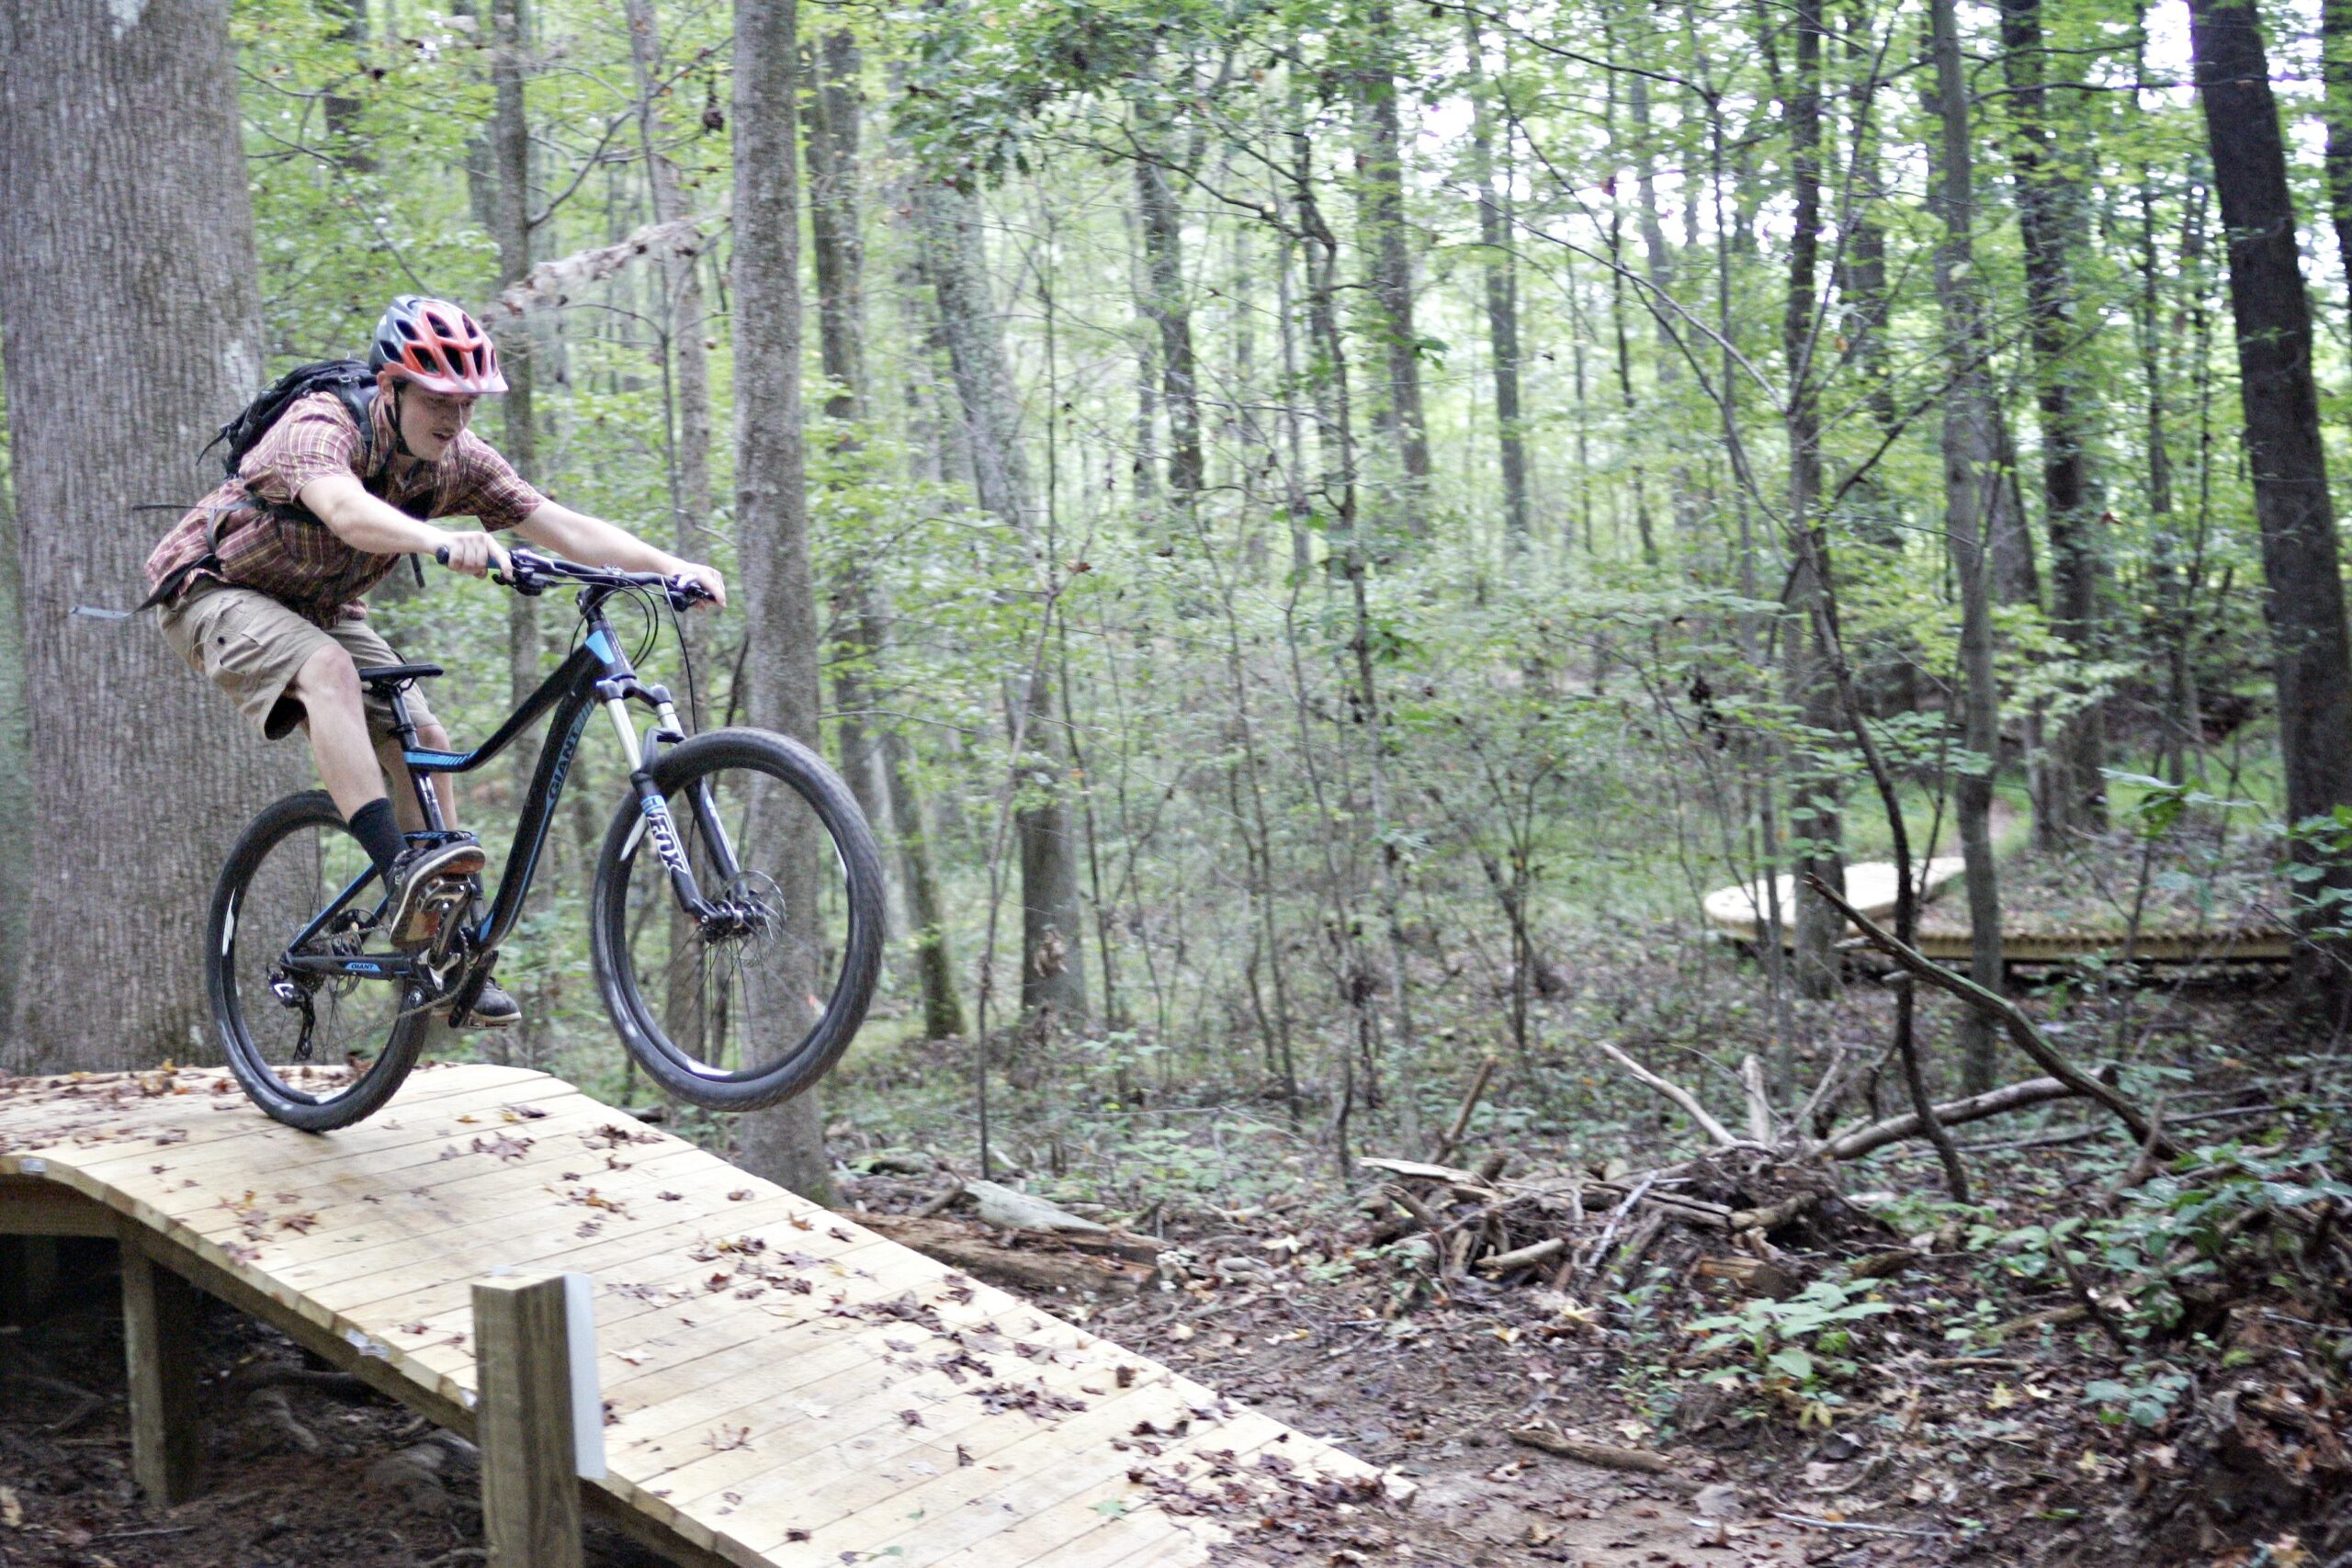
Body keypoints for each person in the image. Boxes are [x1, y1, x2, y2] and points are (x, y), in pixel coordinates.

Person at [144, 295, 725, 1027]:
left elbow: (560, 524)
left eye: (468, 405)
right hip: (215, 590)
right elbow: (348, 512)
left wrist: (673, 566)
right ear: (390, 387)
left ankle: (446, 941)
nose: (455, 420)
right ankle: (397, 865)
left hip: (319, 608)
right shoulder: (319, 425)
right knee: (329, 673)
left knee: (427, 737)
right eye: (439, 401)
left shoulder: (457, 460)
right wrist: (439, 543)